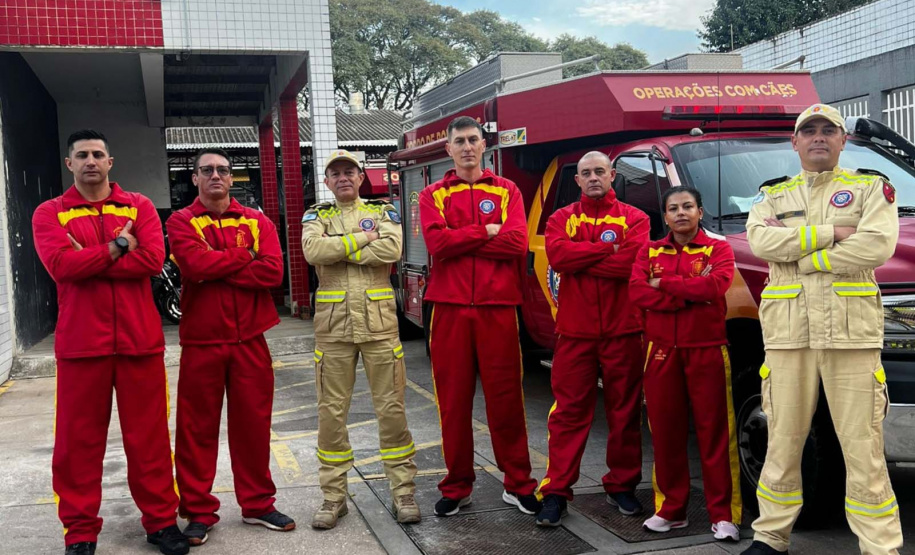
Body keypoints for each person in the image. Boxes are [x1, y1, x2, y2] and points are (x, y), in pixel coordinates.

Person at [743, 103, 903, 555]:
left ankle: (879, 545)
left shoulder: (871, 188)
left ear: (842, 140)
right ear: (794, 142)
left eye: (827, 130)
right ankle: (770, 537)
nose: (818, 137)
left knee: (863, 446)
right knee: (782, 438)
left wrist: (802, 256)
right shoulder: (772, 194)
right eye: (807, 130)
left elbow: (876, 245)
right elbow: (761, 241)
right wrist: (834, 233)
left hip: (851, 335)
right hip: (788, 334)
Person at [32, 130, 189, 555]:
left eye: (97, 154)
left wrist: (93, 256)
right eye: (81, 155)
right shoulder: (50, 212)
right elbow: (61, 267)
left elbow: (153, 260)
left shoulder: (138, 206)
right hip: (82, 347)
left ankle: (160, 523)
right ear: (70, 164)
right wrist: (120, 245)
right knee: (77, 445)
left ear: (110, 161)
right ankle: (80, 532)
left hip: (139, 344)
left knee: (150, 441)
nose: (90, 161)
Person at [167, 148, 294, 546]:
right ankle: (199, 512)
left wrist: (221, 264)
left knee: (253, 427)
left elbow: (273, 272)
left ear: (232, 176)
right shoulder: (181, 220)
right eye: (207, 170)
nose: (216, 176)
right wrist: (245, 257)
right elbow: (194, 267)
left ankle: (257, 505)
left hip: (251, 340)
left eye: (222, 169)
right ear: (195, 178)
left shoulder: (256, 220)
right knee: (196, 430)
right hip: (203, 341)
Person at [418, 116, 539, 517]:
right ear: (448, 149)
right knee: (453, 403)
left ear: (484, 144)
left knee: (506, 400)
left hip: (497, 308)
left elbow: (517, 242)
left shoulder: (508, 190)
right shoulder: (432, 194)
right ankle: (457, 486)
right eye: (460, 141)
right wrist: (486, 231)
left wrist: (463, 238)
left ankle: (518, 483)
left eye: (473, 140)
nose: (467, 147)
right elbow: (437, 244)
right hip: (449, 309)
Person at [301, 149, 420, 529]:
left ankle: (403, 493)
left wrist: (342, 247)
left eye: (349, 171)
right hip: (333, 328)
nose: (343, 178)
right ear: (327, 181)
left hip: (380, 325)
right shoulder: (316, 215)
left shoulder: (385, 211)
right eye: (335, 173)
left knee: (392, 410)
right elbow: (313, 250)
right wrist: (362, 237)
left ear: (361, 175)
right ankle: (333, 497)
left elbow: (392, 249)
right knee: (331, 414)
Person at [535, 151, 649, 526]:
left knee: (625, 412)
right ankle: (555, 492)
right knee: (568, 414)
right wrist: (606, 249)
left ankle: (622, 486)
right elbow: (559, 256)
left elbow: (631, 265)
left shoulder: (636, 219)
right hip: (575, 332)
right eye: (587, 173)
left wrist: (584, 258)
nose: (594, 177)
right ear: (578, 180)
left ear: (613, 175)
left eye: (600, 171)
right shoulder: (561, 218)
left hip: (624, 330)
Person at [629, 186, 742, 541]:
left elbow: (715, 287)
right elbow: (637, 292)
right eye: (673, 208)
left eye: (688, 206)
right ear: (664, 216)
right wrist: (684, 297)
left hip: (707, 349)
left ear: (700, 211)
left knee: (716, 434)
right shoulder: (648, 250)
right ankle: (671, 509)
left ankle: (724, 515)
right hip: (661, 351)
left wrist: (663, 283)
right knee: (665, 432)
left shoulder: (719, 248)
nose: (680, 213)